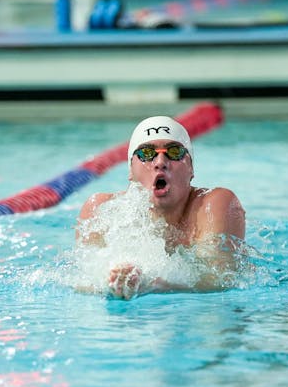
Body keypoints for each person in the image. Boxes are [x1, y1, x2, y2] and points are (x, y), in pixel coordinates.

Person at [76, 115, 246, 299]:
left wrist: (155, 285)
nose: (159, 162)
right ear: (131, 170)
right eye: (146, 154)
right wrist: (111, 284)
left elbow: (219, 279)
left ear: (191, 168)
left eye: (174, 152)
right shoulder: (102, 210)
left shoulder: (214, 204)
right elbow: (82, 281)